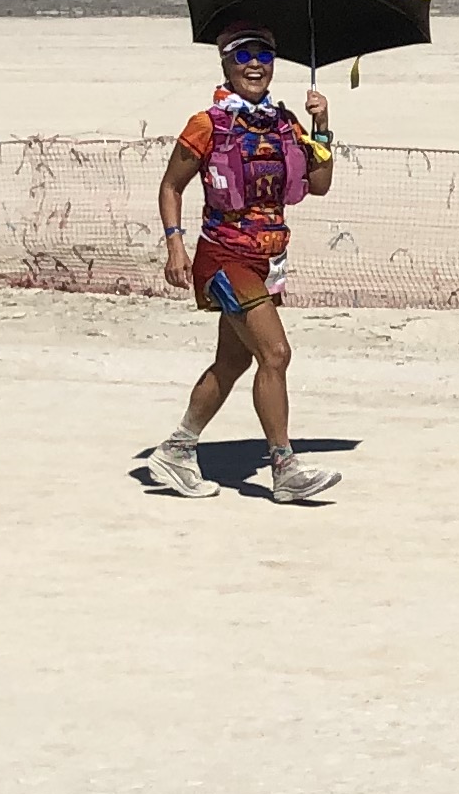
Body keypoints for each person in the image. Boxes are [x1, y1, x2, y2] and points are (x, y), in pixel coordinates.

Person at [141, 27, 341, 501]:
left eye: (265, 54)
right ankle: (285, 467)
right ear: (226, 64)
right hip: (223, 258)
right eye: (244, 55)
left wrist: (323, 124)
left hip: (267, 257)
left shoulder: (283, 123)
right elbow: (171, 186)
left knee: (231, 361)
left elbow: (319, 184)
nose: (256, 64)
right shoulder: (207, 124)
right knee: (275, 353)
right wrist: (175, 246)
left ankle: (176, 449)